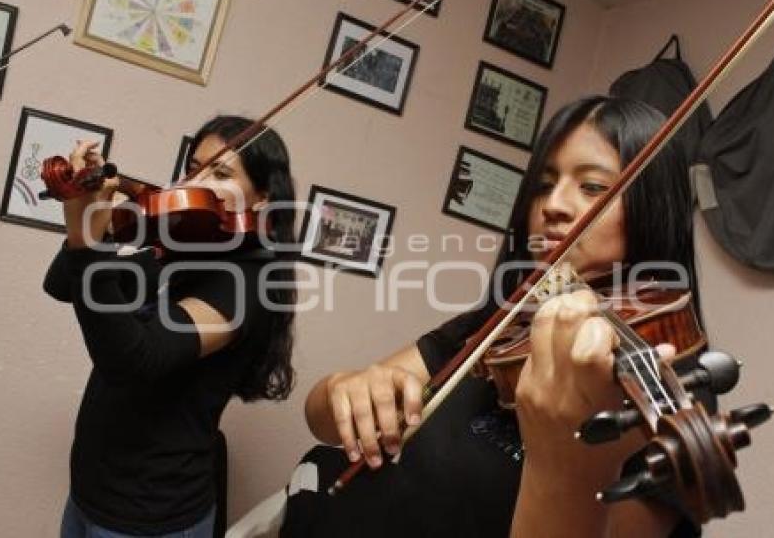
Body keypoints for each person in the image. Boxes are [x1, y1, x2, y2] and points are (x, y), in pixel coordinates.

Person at [282, 96, 706, 537]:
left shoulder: (662, 384)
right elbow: (320, 420)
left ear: (653, 209)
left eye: (593, 187)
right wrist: (344, 389)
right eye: (543, 184)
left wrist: (563, 463)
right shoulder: (498, 327)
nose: (552, 206)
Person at [44, 116, 297, 537]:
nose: (197, 181)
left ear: (262, 198)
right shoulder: (179, 250)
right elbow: (61, 285)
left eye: (220, 172)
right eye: (195, 167)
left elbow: (132, 360)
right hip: (91, 494)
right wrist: (91, 217)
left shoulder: (250, 281)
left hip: (151, 517)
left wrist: (85, 241)